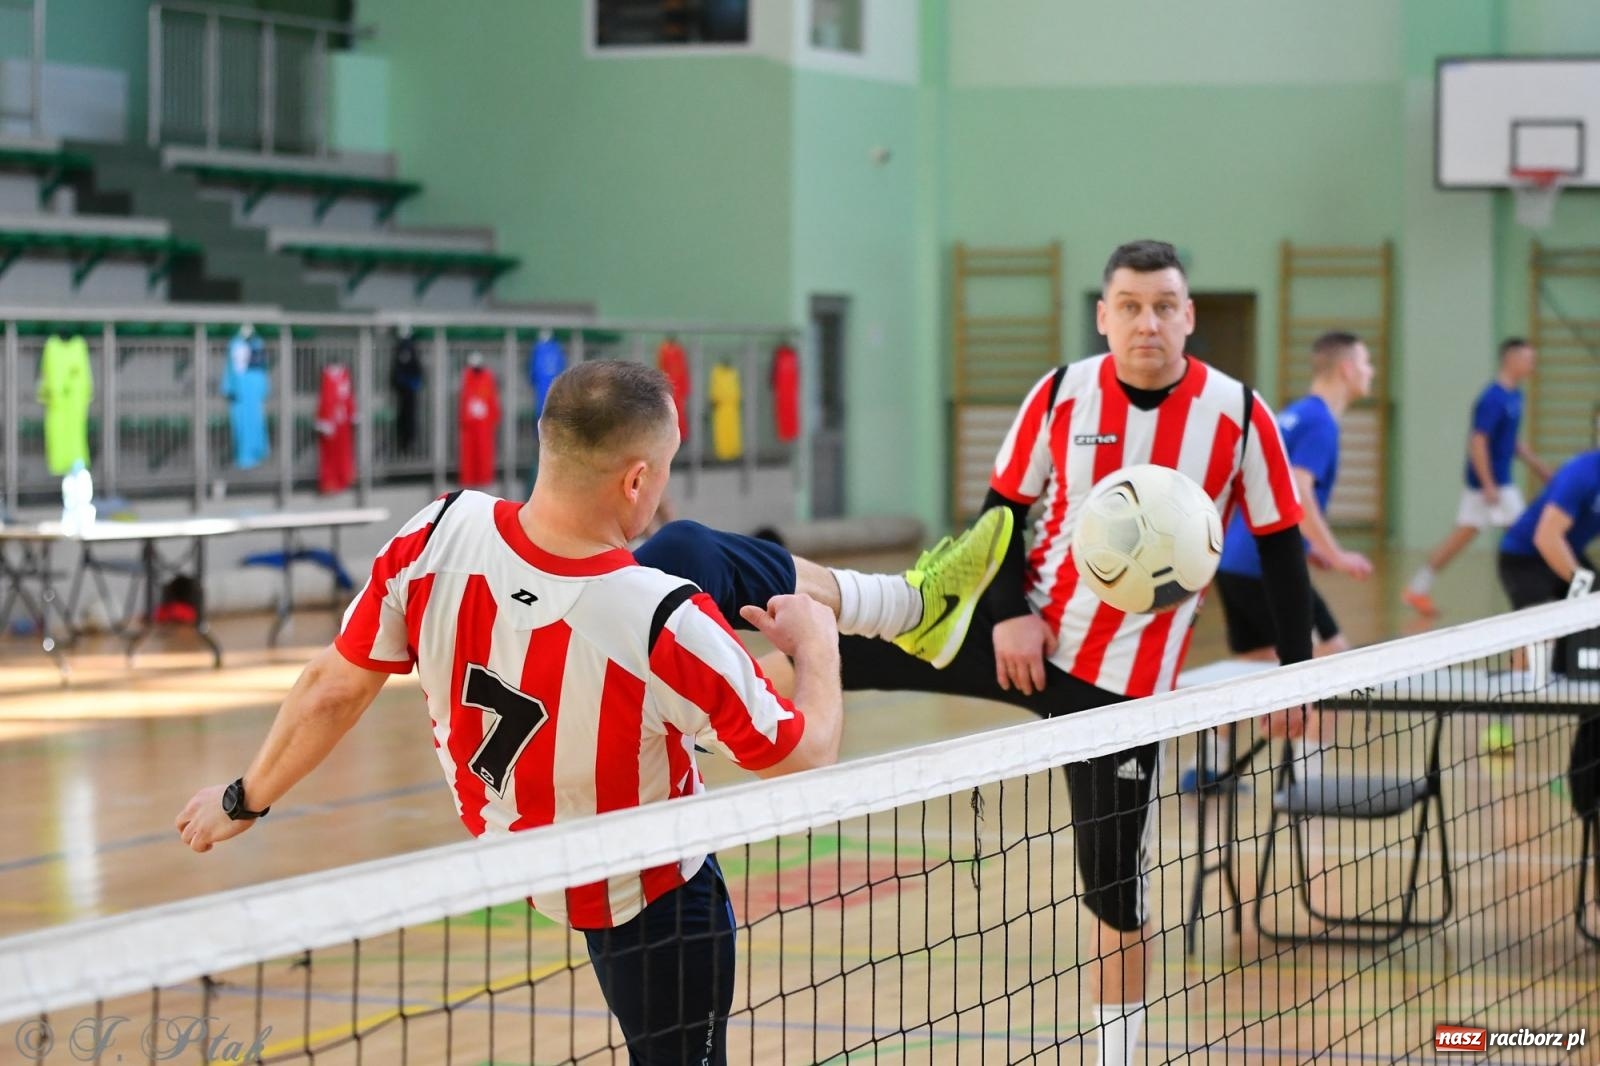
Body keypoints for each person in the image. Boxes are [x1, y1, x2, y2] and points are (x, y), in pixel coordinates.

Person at [176, 360, 1011, 1064]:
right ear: (638, 478)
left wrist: (241, 798)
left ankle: (906, 607)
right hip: (647, 898)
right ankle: (898, 611)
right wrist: (817, 644)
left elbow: (333, 687)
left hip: (528, 860)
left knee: (691, 550)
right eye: (667, 470)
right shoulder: (658, 620)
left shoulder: (435, 533)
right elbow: (807, 750)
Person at [638, 240, 1316, 1066]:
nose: (1148, 322)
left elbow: (1282, 548)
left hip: (1123, 691)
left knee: (1115, 893)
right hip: (1021, 641)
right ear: (1103, 317)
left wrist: (1298, 676)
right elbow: (1000, 517)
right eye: (1130, 305)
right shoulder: (1062, 395)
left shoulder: (1238, 414)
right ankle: (696, 722)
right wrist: (1009, 617)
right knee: (854, 639)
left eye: (1165, 305)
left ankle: (1118, 1055)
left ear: (1190, 316)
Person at [1188, 332, 1377, 790]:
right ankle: (1306, 785)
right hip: (1263, 565)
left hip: (1238, 561)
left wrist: (1310, 549)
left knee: (1251, 671)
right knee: (1333, 668)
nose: (1370, 373)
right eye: (1367, 364)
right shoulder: (1321, 423)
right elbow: (1298, 487)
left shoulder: (1294, 414)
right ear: (1348, 369)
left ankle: (1211, 771)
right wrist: (1333, 551)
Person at [1404, 338, 1551, 616]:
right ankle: (1545, 597)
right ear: (1511, 359)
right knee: (1529, 537)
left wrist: (1537, 465)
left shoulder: (1515, 395)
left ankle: (1417, 588)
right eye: (1528, 359)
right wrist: (1487, 484)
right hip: (1494, 485)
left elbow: (1511, 441)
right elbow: (1478, 441)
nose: (1533, 365)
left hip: (1498, 482)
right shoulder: (1492, 398)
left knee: (1461, 537)